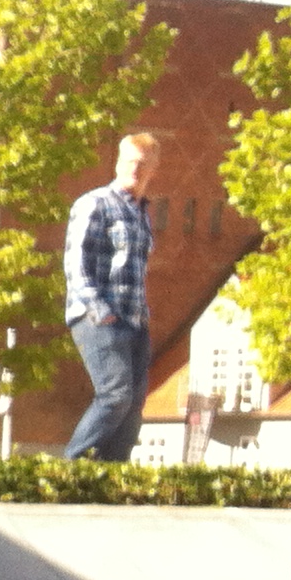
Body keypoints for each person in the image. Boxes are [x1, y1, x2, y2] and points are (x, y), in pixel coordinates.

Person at [63, 132, 162, 462]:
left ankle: (110, 474)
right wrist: (99, 309)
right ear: (118, 162)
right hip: (99, 317)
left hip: (134, 320)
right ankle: (71, 466)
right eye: (130, 161)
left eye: (143, 164)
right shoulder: (95, 204)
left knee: (133, 406)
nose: (135, 169)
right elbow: (76, 264)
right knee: (116, 394)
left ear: (153, 169)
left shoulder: (142, 214)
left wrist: (141, 318)